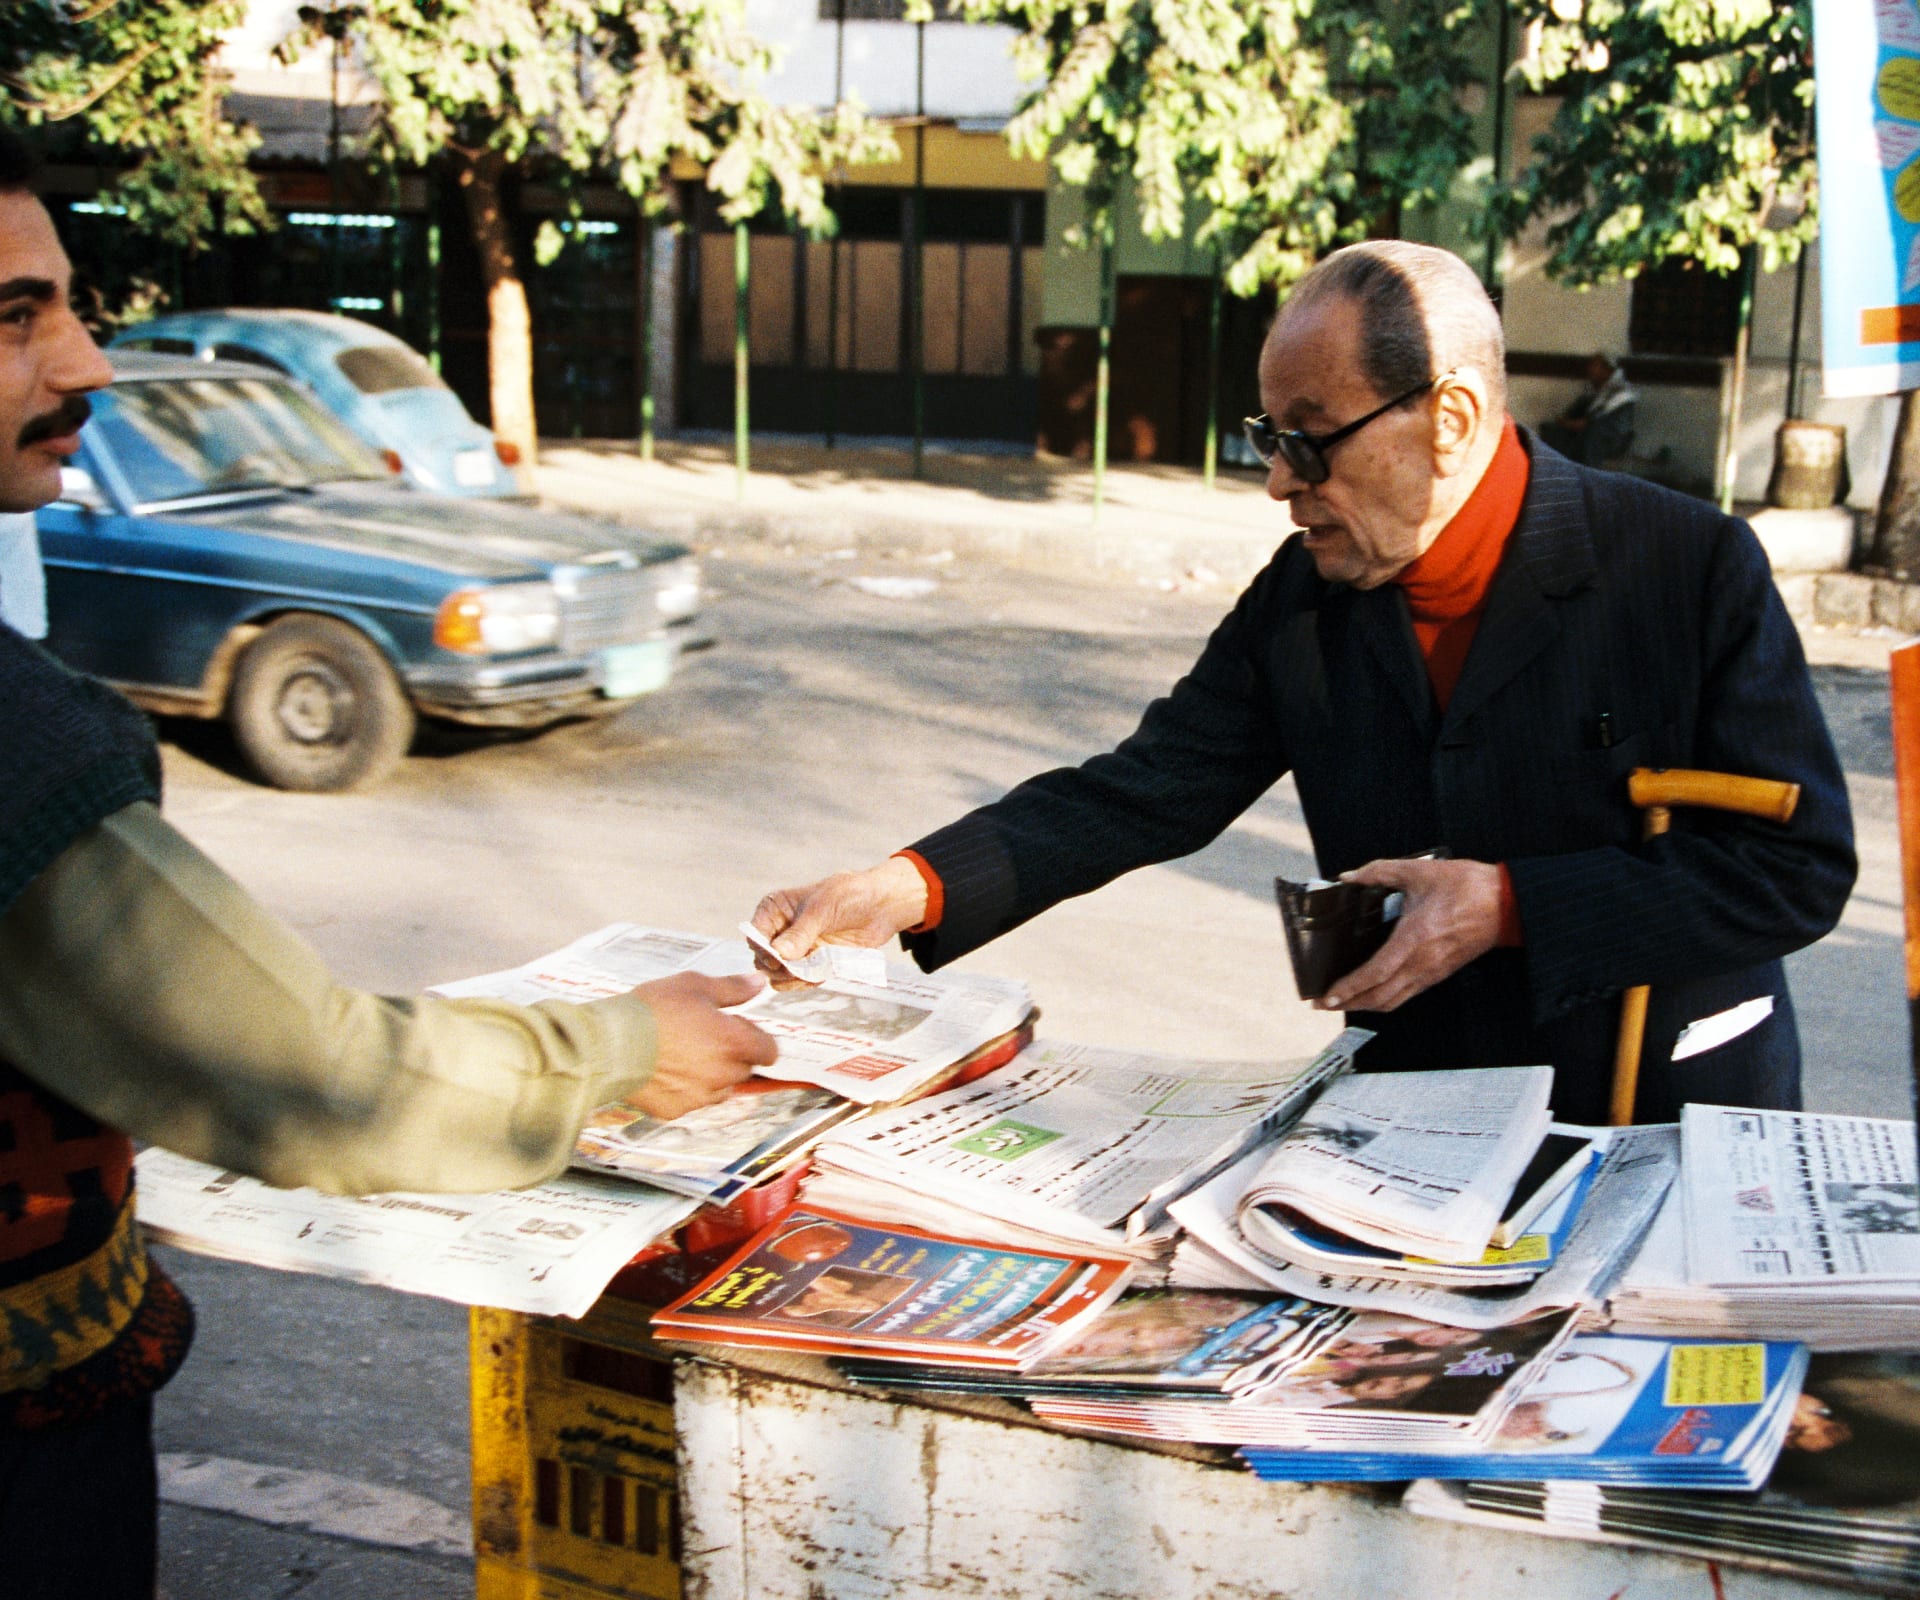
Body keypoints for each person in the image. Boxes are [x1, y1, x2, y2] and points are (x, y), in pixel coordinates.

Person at [0, 128, 777, 1600]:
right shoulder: (22, 752)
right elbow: (315, 1075)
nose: (88, 367)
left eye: (68, 306)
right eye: (14, 319)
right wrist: (624, 1050)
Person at [754, 239, 1855, 1128]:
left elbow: (1796, 872)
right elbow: (1145, 787)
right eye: (1269, 440)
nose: (1281, 482)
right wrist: (906, 886)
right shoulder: (1309, 595)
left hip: (1658, 1119)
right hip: (1415, 1120)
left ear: (1454, 418)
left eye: (1314, 442)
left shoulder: (1684, 566)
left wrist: (1510, 906)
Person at [1539, 351, 1637, 467]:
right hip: (1590, 431)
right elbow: (1578, 412)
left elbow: (1595, 420)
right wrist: (1565, 421)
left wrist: (1572, 424)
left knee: (1589, 434)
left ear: (1606, 370)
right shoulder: (1597, 389)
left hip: (1610, 439)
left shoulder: (1622, 391)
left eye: (1594, 366)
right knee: (1554, 431)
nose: (1589, 370)